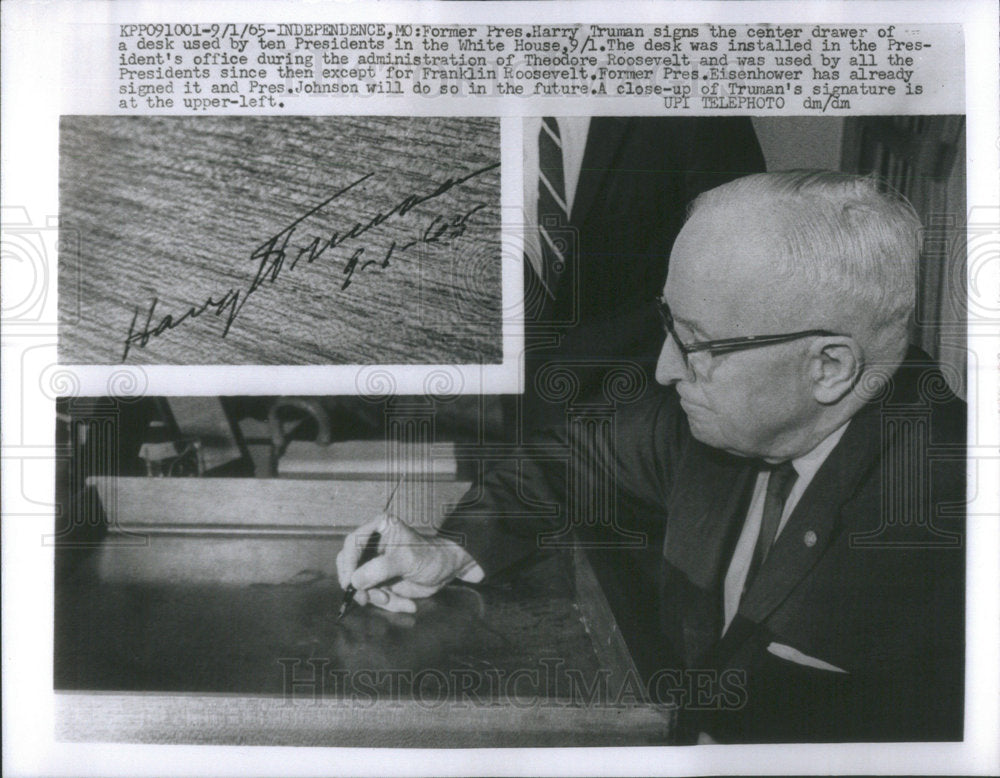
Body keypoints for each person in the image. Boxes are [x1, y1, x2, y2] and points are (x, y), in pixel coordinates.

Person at [336, 171, 965, 743]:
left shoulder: (945, 512)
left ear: (829, 366)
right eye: (667, 325)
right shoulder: (722, 418)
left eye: (694, 344)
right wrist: (449, 549)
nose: (665, 369)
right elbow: (569, 461)